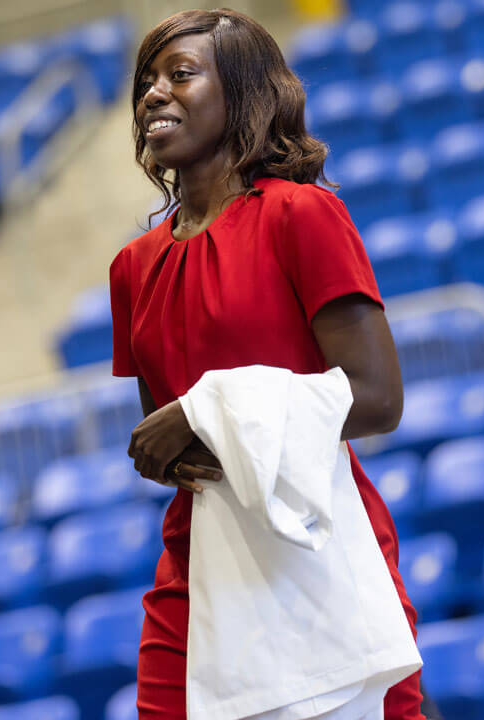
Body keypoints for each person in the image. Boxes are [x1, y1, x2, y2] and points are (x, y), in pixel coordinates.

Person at [109, 9, 424, 719]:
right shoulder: (132, 267)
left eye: (181, 75)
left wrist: (206, 408)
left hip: (314, 541)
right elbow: (172, 444)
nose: (154, 94)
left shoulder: (301, 215)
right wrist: (178, 439)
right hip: (197, 563)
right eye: (146, 82)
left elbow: (377, 398)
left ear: (244, 93)